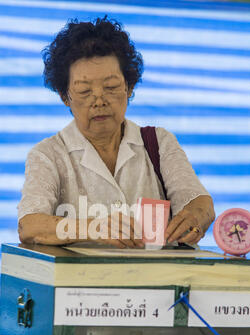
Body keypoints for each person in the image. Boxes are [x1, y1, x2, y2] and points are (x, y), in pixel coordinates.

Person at [18, 17, 215, 248]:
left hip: (160, 281)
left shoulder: (159, 143)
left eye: (111, 87)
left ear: (129, 87)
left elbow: (201, 203)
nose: (99, 100)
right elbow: (29, 226)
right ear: (65, 97)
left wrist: (194, 218)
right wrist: (94, 227)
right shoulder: (48, 154)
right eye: (84, 91)